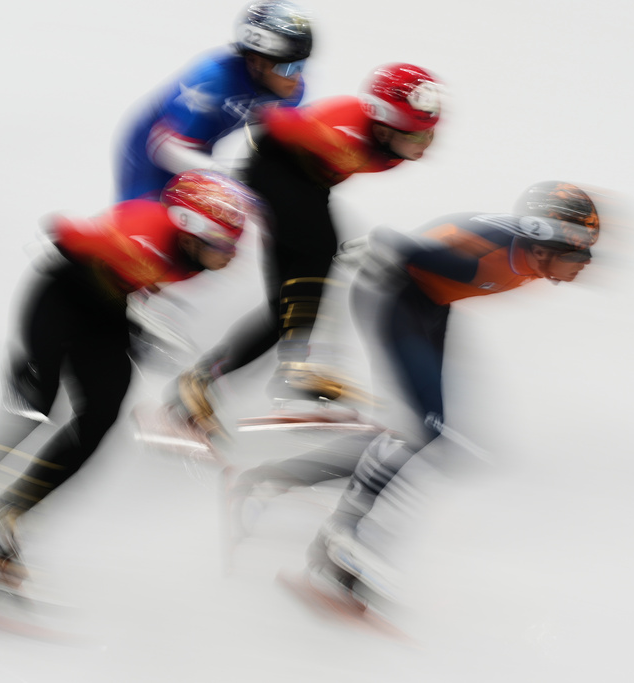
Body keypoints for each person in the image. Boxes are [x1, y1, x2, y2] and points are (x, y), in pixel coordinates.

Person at [229, 181, 603, 609]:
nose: (586, 265)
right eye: (579, 254)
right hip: (395, 297)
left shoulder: (526, 256)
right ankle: (337, 540)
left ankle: (276, 480)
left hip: (429, 304)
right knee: (421, 433)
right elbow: (401, 246)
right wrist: (380, 245)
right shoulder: (487, 255)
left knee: (422, 434)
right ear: (542, 245)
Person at [0, 170, 261, 586]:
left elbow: (126, 280)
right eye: (225, 244)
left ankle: (4, 521)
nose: (232, 257)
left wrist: (134, 328)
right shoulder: (143, 232)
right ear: (192, 232)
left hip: (104, 309)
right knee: (31, 411)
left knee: (101, 416)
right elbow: (63, 235)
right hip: (58, 297)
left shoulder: (190, 259)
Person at [172, 62, 444, 434]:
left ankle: (199, 382)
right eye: (417, 135)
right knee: (322, 248)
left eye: (430, 133)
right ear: (383, 127)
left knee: (284, 310)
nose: (426, 144)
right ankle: (296, 369)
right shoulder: (342, 131)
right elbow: (268, 124)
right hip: (275, 171)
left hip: (308, 183)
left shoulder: (386, 145)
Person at [115, 1, 313, 201]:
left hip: (198, 151)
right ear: (255, 61)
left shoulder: (291, 92)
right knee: (148, 215)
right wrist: (226, 175)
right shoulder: (213, 78)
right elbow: (162, 149)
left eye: (301, 65)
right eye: (287, 67)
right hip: (153, 151)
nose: (296, 77)